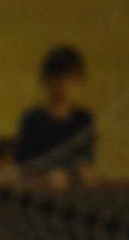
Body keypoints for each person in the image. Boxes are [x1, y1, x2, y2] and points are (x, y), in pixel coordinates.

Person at [16, 44, 94, 186]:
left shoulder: (83, 120)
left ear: (79, 82)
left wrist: (70, 177)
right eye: (57, 79)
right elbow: (25, 168)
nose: (63, 86)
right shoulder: (32, 120)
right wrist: (45, 178)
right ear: (46, 80)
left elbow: (84, 167)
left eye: (70, 79)